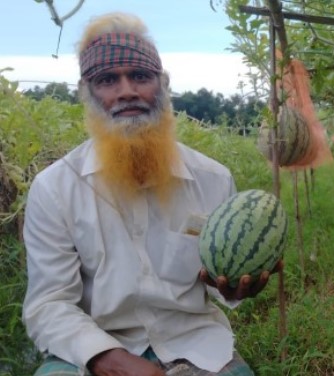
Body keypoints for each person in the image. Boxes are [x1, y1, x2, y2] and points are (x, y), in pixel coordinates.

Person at [22, 12, 280, 376]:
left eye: (140, 76)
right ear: (87, 93)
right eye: (108, 80)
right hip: (91, 349)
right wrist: (105, 358)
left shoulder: (212, 179)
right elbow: (49, 303)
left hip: (195, 344)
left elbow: (221, 280)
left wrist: (235, 287)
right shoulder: (55, 189)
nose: (127, 91)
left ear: (163, 85)